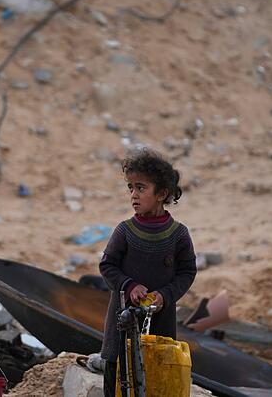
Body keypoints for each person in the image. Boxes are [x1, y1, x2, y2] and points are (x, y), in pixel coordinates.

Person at [99, 148, 197, 397]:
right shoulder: (125, 231)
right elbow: (107, 266)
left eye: (141, 188)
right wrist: (129, 286)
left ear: (162, 193)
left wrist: (165, 295)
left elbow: (187, 272)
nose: (133, 195)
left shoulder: (178, 235)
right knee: (117, 378)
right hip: (121, 324)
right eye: (130, 188)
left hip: (160, 324)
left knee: (155, 379)